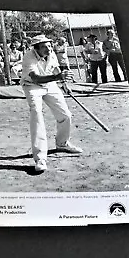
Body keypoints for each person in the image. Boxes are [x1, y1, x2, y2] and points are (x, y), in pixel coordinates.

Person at [21, 34, 83, 172]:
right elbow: (36, 78)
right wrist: (57, 77)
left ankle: (62, 143)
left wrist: (63, 83)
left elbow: (55, 68)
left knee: (65, 115)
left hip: (50, 84)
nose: (48, 49)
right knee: (36, 114)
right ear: (36, 49)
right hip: (32, 86)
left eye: (49, 46)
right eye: (44, 47)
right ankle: (40, 158)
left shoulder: (51, 53)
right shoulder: (28, 57)